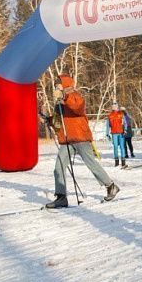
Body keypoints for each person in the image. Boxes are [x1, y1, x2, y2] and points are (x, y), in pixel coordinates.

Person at [48, 75, 119, 208]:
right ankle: (61, 197)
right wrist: (49, 120)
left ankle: (111, 186)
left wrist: (64, 96)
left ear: (65, 84)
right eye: (56, 85)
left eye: (58, 84)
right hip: (67, 140)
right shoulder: (59, 101)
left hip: (80, 137)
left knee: (91, 163)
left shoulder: (75, 96)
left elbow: (77, 108)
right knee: (59, 167)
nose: (56, 86)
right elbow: (59, 122)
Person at [106, 102, 128, 168]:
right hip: (114, 133)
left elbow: (125, 123)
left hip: (121, 133)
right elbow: (107, 125)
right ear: (112, 107)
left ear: (117, 107)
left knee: (122, 147)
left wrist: (125, 130)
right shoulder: (110, 115)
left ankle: (123, 162)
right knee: (115, 147)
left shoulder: (121, 114)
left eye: (115, 106)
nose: (114, 108)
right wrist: (107, 133)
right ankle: (116, 162)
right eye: (113, 107)